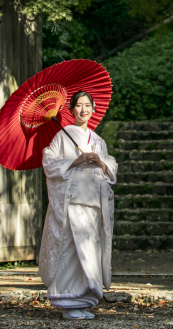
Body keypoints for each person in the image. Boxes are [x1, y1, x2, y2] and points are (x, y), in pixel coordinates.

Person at [39, 91, 117, 320]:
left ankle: (82, 299)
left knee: (90, 251)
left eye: (87, 105)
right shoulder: (61, 137)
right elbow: (49, 164)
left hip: (93, 203)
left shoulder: (98, 140)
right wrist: (76, 161)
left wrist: (100, 163)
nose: (84, 110)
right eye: (79, 106)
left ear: (93, 108)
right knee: (72, 253)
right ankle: (68, 300)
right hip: (72, 203)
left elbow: (111, 168)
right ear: (71, 110)